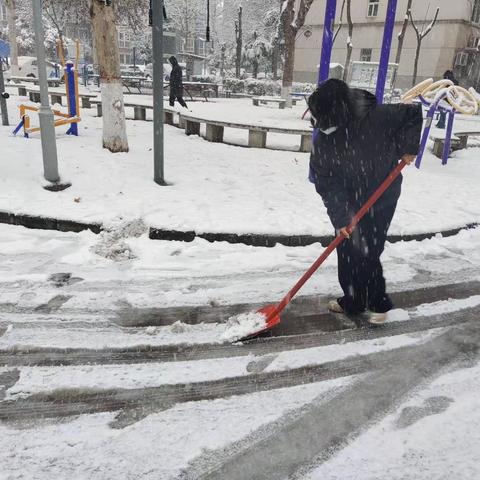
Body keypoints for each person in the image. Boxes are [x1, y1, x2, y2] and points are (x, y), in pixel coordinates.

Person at [308, 79, 423, 324]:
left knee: (370, 247)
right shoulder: (324, 139)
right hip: (349, 200)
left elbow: (412, 114)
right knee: (349, 249)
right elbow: (327, 182)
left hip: (383, 193)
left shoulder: (378, 116)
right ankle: (356, 300)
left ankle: (371, 300)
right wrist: (341, 218)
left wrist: (409, 146)